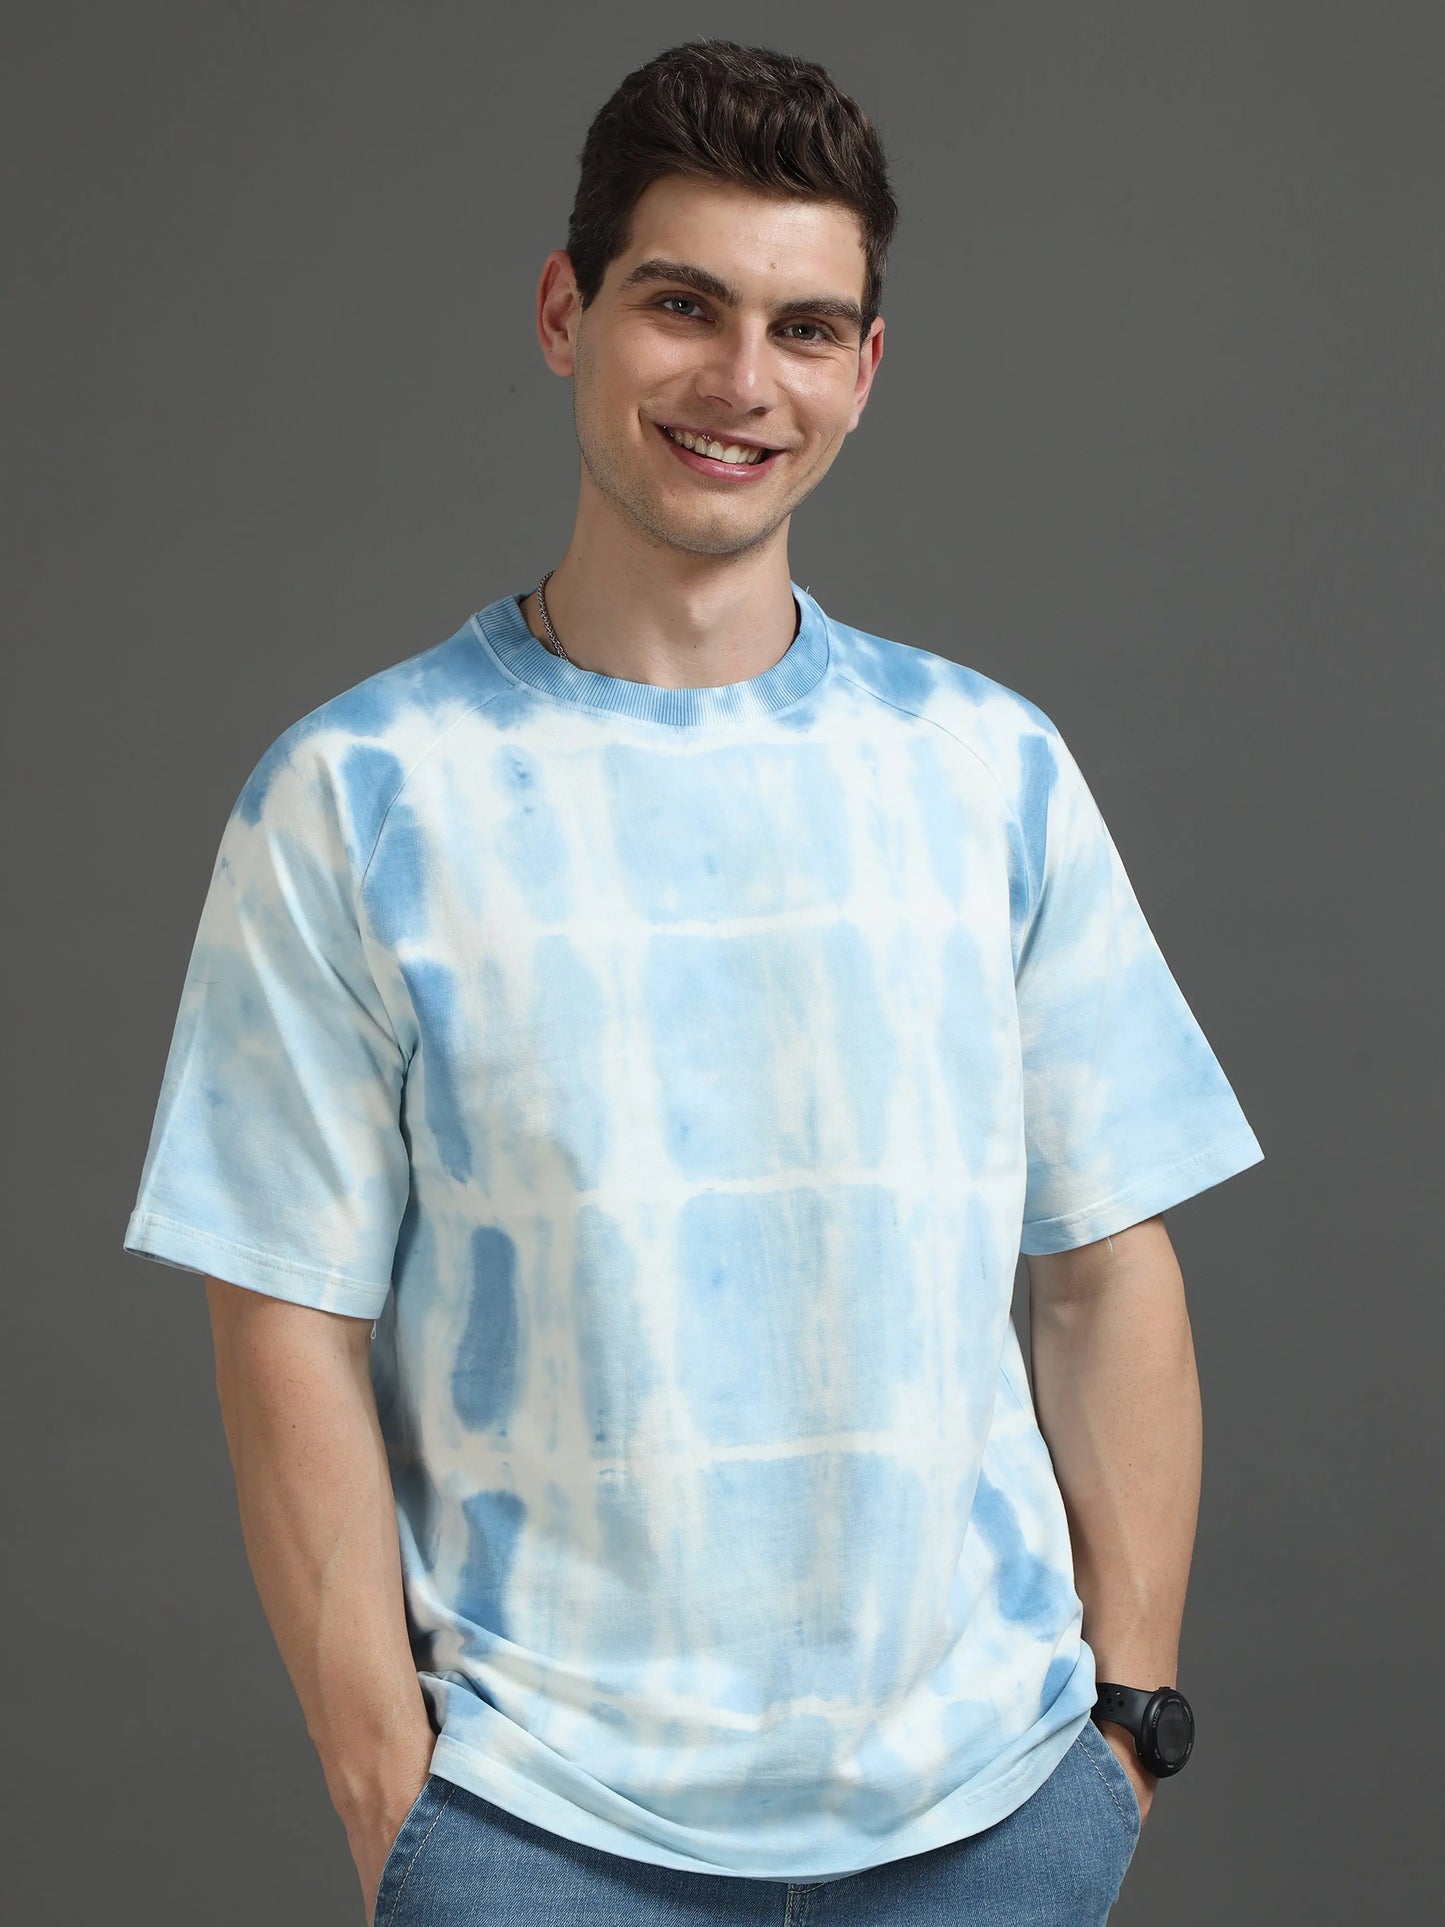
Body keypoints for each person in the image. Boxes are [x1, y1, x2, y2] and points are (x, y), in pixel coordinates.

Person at [122, 35, 1263, 1927]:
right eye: (682, 305)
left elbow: (1104, 1263)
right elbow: (284, 1321)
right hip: (535, 1827)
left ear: (864, 369)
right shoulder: (358, 794)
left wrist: (1124, 1725)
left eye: (804, 329)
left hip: (994, 1816)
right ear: (563, 314)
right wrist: (392, 1794)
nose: (743, 382)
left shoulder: (985, 768)